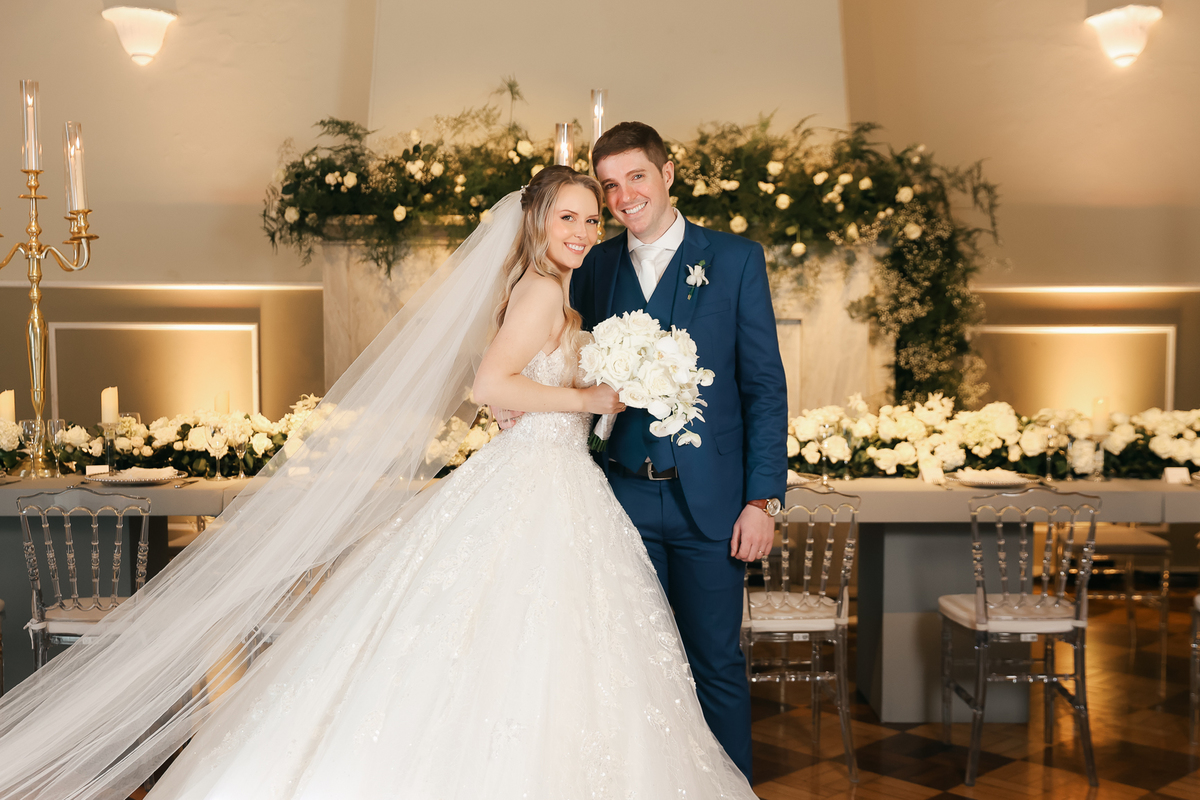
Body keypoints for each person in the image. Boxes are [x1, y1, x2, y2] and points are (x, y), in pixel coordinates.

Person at [0, 167, 758, 800]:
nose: (585, 231)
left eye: (592, 220)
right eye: (569, 216)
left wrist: (585, 392)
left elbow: (505, 384)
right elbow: (491, 382)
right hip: (539, 485)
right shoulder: (537, 289)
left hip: (556, 480)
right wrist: (588, 398)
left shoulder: (551, 289)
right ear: (535, 221)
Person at [571, 122, 789, 781]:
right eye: (610, 185)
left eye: (636, 176)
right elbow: (564, 357)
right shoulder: (594, 265)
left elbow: (764, 387)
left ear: (667, 174)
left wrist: (763, 500)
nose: (623, 196)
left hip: (711, 505)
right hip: (619, 499)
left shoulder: (735, 259)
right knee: (631, 667)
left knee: (715, 663)